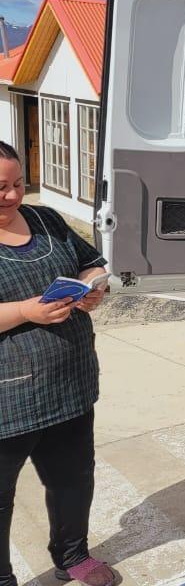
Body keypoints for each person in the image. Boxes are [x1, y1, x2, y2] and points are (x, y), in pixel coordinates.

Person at [0, 142, 115, 586]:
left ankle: (73, 555)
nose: (10, 196)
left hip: (67, 383)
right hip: (7, 397)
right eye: (0, 188)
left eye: (16, 185)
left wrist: (91, 288)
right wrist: (26, 312)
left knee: (73, 478)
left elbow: (90, 263)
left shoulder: (46, 220)